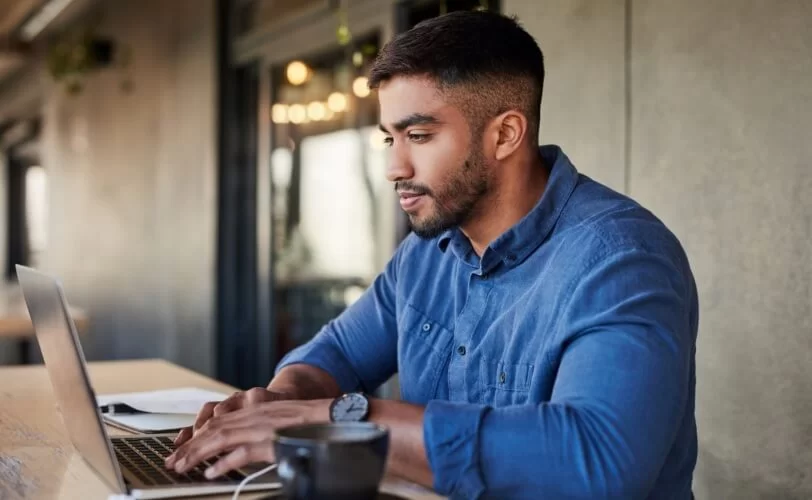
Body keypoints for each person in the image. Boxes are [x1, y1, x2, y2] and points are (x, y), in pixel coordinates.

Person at [165, 10, 698, 499]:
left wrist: (344, 416)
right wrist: (277, 404)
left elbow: (598, 460)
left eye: (418, 135)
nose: (394, 167)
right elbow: (339, 355)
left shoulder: (621, 259)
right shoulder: (425, 254)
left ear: (506, 134)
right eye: (388, 139)